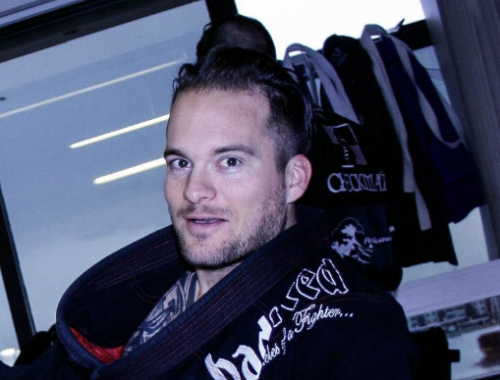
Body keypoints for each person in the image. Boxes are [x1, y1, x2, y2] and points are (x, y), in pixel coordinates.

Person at [0, 47, 419, 379]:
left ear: (293, 179)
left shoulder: (350, 328)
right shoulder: (140, 291)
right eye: (181, 163)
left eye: (229, 162)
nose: (193, 190)